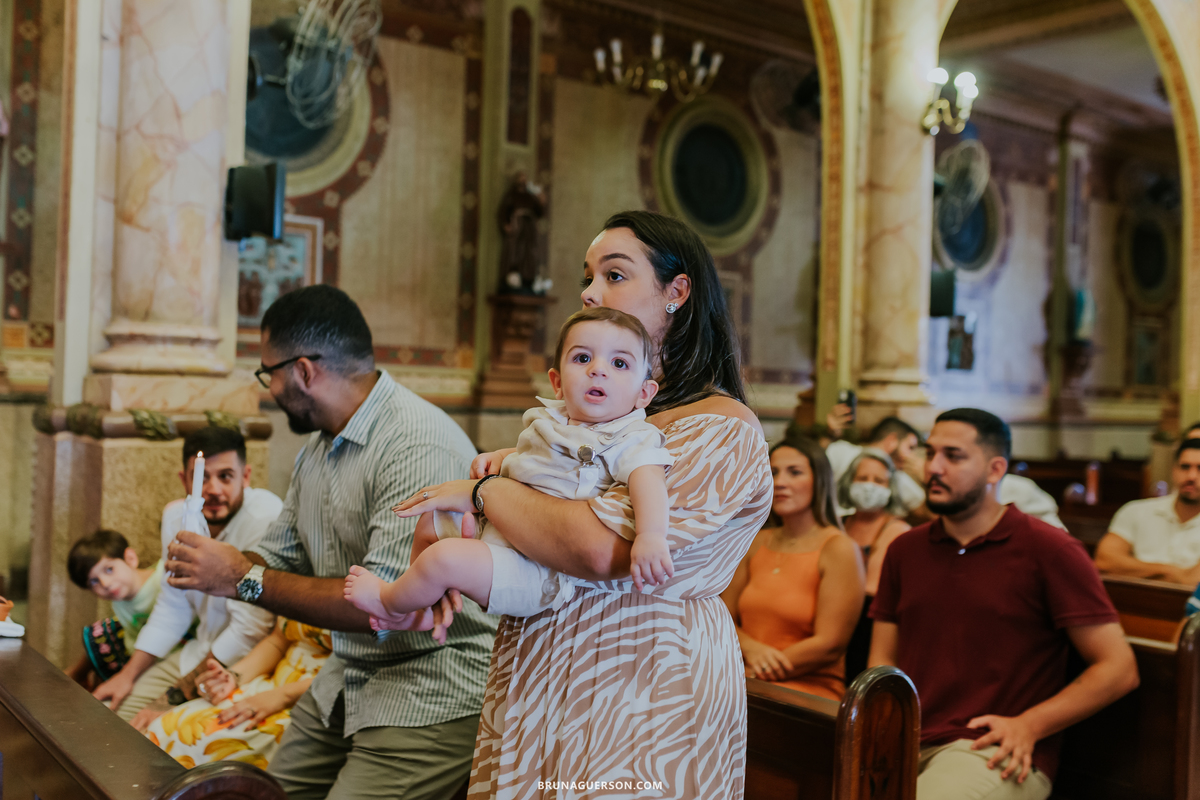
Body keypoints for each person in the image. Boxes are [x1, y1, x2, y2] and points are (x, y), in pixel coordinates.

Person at [391, 211, 772, 798]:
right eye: (587, 278)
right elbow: (538, 518)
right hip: (543, 660)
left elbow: (596, 547)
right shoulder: (603, 421)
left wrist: (484, 494)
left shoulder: (720, 427)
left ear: (677, 292)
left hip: (643, 674)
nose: (591, 293)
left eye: (613, 275)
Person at [162, 285, 497, 800]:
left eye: (267, 372)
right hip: (346, 676)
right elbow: (275, 559)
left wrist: (240, 578)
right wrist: (219, 560)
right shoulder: (317, 451)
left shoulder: (413, 442)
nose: (268, 388)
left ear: (303, 370)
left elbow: (381, 606)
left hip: (430, 683)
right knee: (258, 795)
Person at [869, 408, 1139, 800]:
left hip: (993, 749)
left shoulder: (1050, 550)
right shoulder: (905, 550)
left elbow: (1119, 669)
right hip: (906, 742)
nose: (934, 468)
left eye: (954, 456)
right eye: (930, 454)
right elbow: (882, 663)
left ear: (996, 470)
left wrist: (1030, 725)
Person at [345, 308, 673, 627]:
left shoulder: (631, 437)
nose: (598, 370)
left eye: (619, 363)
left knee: (443, 559)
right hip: (503, 528)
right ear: (557, 382)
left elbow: (649, 480)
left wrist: (651, 535)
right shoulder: (554, 418)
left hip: (539, 568)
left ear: (644, 393)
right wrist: (503, 457)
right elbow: (539, 456)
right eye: (583, 358)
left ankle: (391, 604)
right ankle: (423, 607)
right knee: (431, 521)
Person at [92, 427, 280, 729]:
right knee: (109, 718)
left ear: (246, 476)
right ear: (184, 480)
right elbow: (173, 605)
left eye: (226, 476)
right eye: (202, 477)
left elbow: (250, 629)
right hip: (195, 654)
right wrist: (127, 675)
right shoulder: (176, 517)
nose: (214, 489)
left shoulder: (266, 519)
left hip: (241, 666)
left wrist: (170, 699)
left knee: (149, 732)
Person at [721, 437, 864, 701]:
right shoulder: (755, 540)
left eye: (794, 472)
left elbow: (829, 644)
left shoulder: (839, 548)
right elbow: (723, 614)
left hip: (806, 690)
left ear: (819, 480)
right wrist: (750, 649)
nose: (781, 482)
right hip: (744, 677)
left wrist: (755, 673)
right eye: (773, 472)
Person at [145, 617, 333, 770]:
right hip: (271, 681)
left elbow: (351, 671)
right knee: (161, 727)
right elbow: (278, 640)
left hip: (314, 695)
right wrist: (234, 677)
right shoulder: (304, 573)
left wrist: (282, 695)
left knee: (211, 745)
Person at [837, 449, 911, 681]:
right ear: (850, 482)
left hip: (867, 629)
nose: (870, 486)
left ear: (890, 489)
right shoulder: (838, 523)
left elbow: (872, 590)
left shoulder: (896, 530)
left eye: (879, 481)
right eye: (862, 478)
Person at [1095, 438, 1200, 585]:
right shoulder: (1135, 511)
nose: (1191, 476)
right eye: (1185, 467)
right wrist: (1170, 572)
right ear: (1173, 470)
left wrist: (1136, 570)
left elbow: (1193, 580)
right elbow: (1105, 561)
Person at [66, 529, 165, 685]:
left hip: (165, 653)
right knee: (98, 635)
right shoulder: (119, 596)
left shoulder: (162, 580)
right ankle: (77, 678)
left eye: (109, 569)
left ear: (130, 558)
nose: (105, 584)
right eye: (94, 581)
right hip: (137, 650)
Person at [826, 416, 925, 515]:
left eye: (879, 480)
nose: (911, 456)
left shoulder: (898, 478)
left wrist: (926, 478)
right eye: (910, 447)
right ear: (892, 440)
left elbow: (926, 511)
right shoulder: (840, 452)